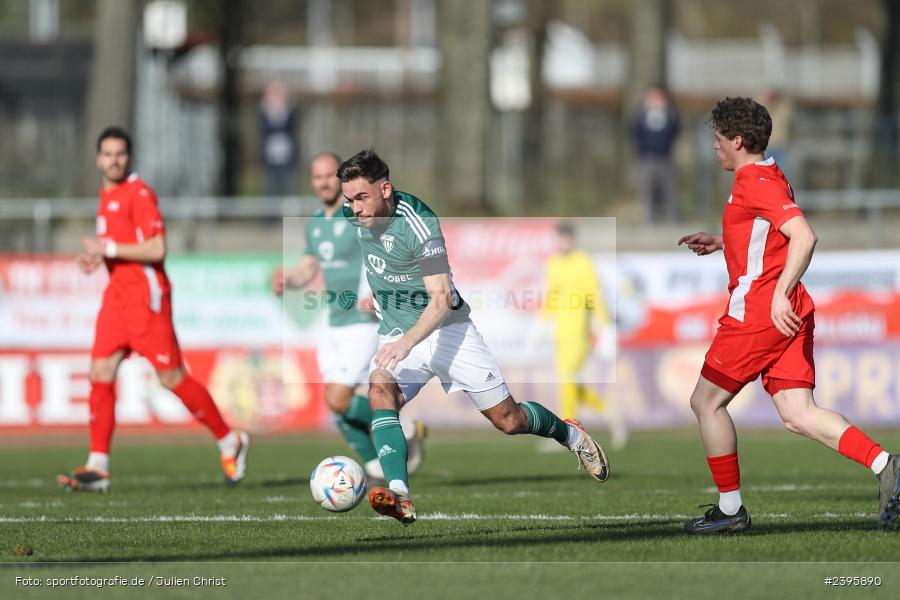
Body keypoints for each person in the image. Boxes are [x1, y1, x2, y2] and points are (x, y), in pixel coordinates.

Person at [338, 148, 611, 526]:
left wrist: (404, 343)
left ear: (385, 188)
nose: (354, 208)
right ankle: (399, 494)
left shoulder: (419, 223)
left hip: (447, 330)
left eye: (361, 198)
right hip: (398, 332)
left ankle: (569, 433)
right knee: (380, 391)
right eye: (348, 200)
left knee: (509, 421)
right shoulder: (354, 217)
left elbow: (441, 301)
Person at [678, 97, 900, 533]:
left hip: (761, 313)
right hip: (787, 311)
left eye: (719, 139)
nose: (715, 147)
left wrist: (779, 294)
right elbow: (770, 232)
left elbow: (804, 236)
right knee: (798, 412)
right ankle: (886, 465)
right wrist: (725, 241)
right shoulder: (768, 173)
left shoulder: (753, 182)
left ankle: (729, 510)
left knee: (705, 402)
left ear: (737, 140)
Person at [58, 127, 248, 493]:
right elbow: (119, 248)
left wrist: (107, 250)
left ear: (129, 157)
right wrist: (97, 258)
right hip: (117, 299)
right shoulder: (105, 194)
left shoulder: (139, 194)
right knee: (100, 370)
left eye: (120, 154)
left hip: (147, 301)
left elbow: (157, 248)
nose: (113, 160)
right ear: (98, 159)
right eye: (107, 154)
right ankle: (98, 465)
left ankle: (229, 439)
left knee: (171, 378)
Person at [273, 152, 426, 480]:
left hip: (362, 321)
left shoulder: (356, 213)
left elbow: (383, 245)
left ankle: (405, 426)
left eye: (329, 175)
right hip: (333, 322)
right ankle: (374, 470)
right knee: (336, 407)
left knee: (338, 397)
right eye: (317, 177)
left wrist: (376, 287)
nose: (323, 182)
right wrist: (289, 280)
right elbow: (308, 268)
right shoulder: (316, 224)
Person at [543, 221, 627, 450]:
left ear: (573, 239)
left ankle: (565, 434)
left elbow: (594, 292)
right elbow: (551, 294)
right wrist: (542, 322)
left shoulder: (583, 261)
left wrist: (604, 323)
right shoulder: (553, 263)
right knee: (570, 384)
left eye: (567, 238)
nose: (563, 243)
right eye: (560, 238)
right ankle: (611, 413)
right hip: (561, 331)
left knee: (567, 380)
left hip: (580, 330)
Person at [632, 86, 680, 223]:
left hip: (665, 157)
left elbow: (675, 130)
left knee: (670, 190)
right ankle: (649, 220)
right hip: (646, 158)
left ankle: (674, 219)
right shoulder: (641, 115)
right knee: (647, 190)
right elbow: (634, 132)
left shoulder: (670, 114)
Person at [259, 80, 299, 196]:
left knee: (288, 186)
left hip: (287, 155)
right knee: (270, 187)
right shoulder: (264, 111)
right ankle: (270, 214)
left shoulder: (290, 110)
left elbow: (292, 129)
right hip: (270, 156)